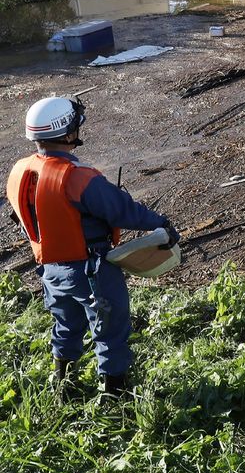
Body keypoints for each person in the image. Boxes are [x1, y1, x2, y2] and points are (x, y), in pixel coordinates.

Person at [5, 96, 180, 397]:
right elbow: (121, 210)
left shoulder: (21, 170)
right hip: (91, 271)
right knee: (110, 331)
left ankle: (64, 387)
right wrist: (161, 223)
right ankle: (115, 400)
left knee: (66, 326)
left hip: (50, 271)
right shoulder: (77, 178)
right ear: (68, 133)